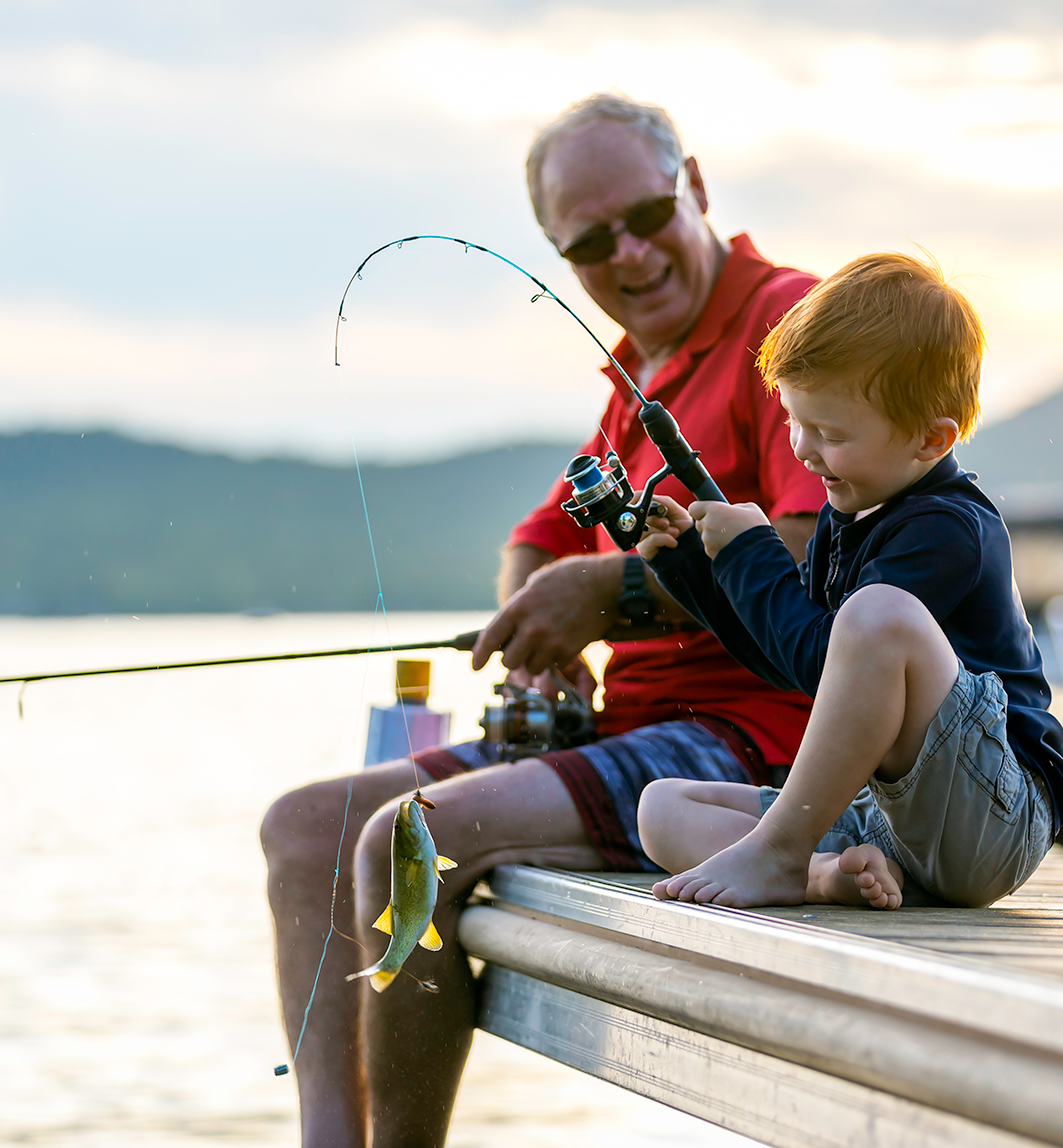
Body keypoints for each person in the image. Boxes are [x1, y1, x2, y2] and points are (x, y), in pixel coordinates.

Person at [259, 92, 828, 1146]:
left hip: (746, 745)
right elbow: (538, 534)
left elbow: (811, 550)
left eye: (649, 217)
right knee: (304, 829)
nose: (631, 254)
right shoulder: (643, 366)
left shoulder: (786, 326)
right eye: (590, 241)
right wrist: (542, 630)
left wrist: (601, 598)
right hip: (627, 732)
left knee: (401, 841)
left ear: (694, 187)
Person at [633, 252, 1063, 911]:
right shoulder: (851, 516)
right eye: (793, 419)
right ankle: (820, 872)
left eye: (829, 432)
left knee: (875, 616)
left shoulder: (949, 528)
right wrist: (696, 565)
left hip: (992, 819)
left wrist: (755, 549)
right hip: (888, 820)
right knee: (661, 808)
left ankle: (780, 853)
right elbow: (792, 659)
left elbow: (827, 650)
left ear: (931, 439)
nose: (803, 449)